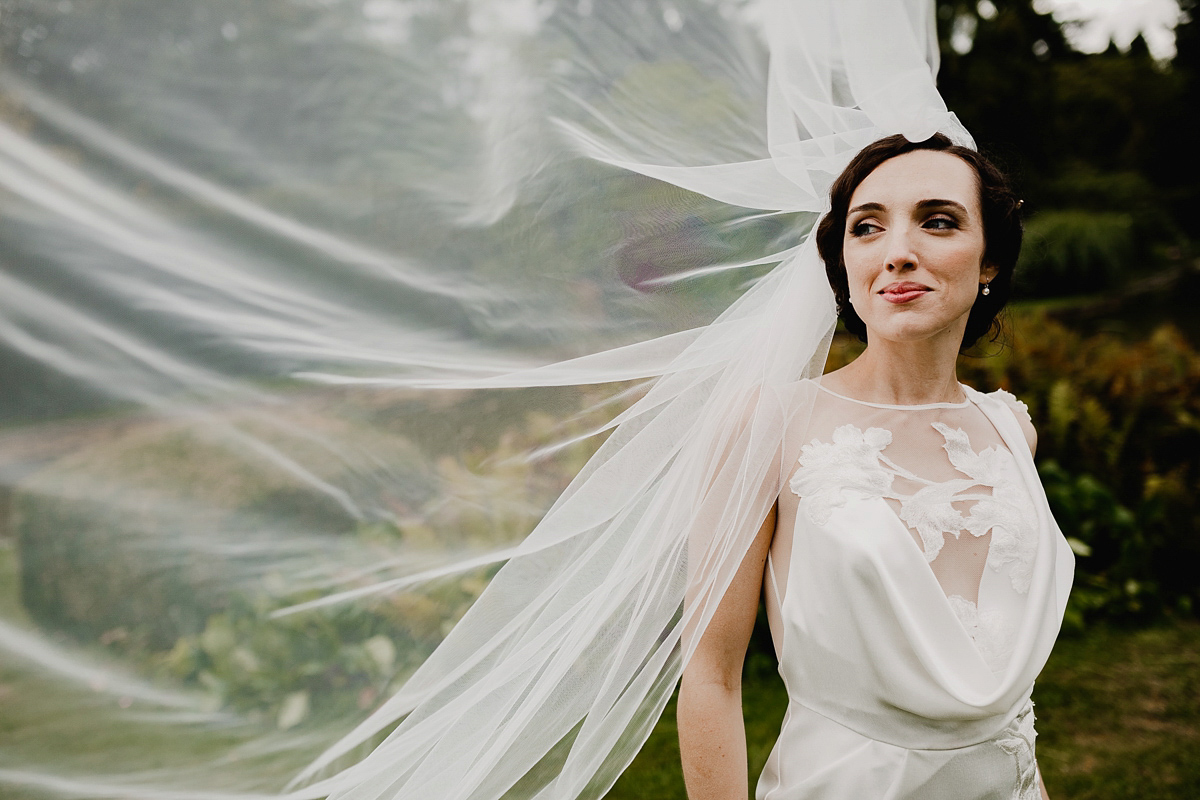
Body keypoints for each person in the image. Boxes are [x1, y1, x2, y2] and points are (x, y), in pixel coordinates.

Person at [678, 133, 1073, 800]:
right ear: (843, 262)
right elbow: (710, 674)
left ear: (990, 262)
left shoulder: (1012, 429)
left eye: (939, 221)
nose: (897, 254)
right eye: (867, 228)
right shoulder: (770, 424)